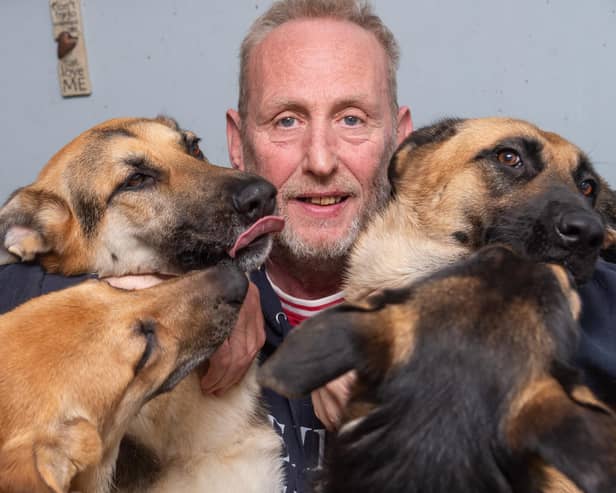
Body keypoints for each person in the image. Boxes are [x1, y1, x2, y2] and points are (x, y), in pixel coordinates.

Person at [1, 1, 616, 492]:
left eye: (352, 119)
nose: (321, 161)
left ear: (402, 142)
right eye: (287, 121)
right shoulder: (179, 298)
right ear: (237, 145)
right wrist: (197, 293)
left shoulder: (554, 305)